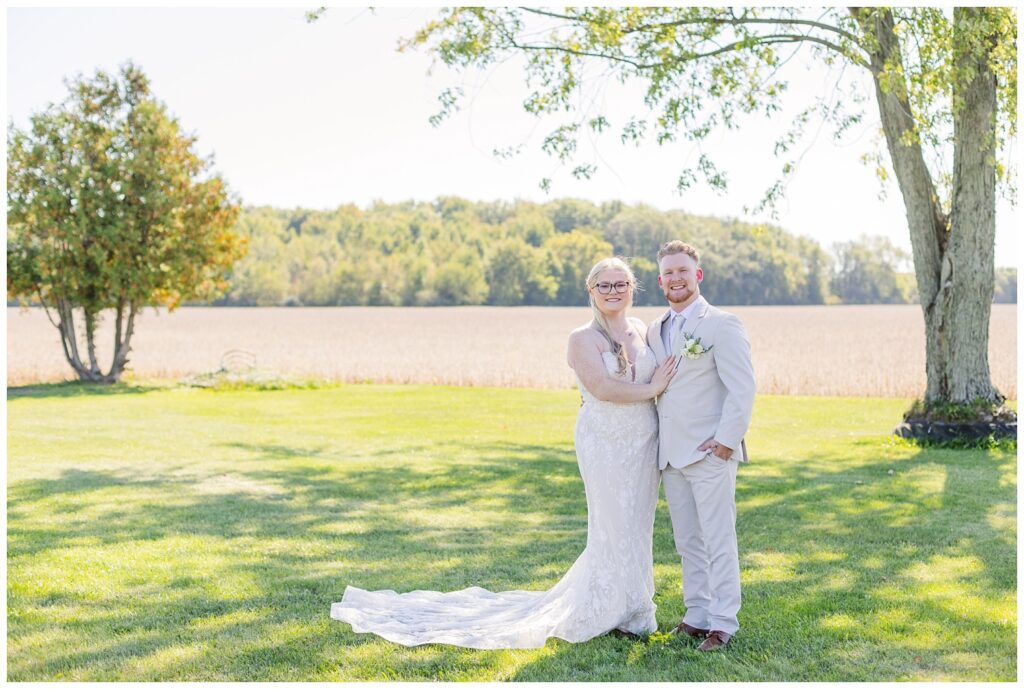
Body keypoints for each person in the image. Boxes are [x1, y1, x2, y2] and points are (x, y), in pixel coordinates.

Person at [330, 256, 677, 649]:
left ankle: (635, 607)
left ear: (633, 288)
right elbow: (601, 389)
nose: (613, 291)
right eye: (605, 285)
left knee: (637, 525)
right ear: (591, 291)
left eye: (621, 284)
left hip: (642, 442)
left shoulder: (641, 329)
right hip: (605, 443)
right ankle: (605, 609)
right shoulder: (581, 338)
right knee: (611, 525)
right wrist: (654, 389)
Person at [646, 240, 756, 652]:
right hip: (672, 453)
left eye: (682, 270)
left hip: (710, 452)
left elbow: (742, 388)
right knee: (688, 540)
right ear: (661, 281)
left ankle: (724, 621)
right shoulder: (657, 328)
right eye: (668, 273)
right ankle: (697, 614)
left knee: (718, 538)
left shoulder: (721, 324)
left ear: (698, 274)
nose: (675, 278)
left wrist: (726, 442)